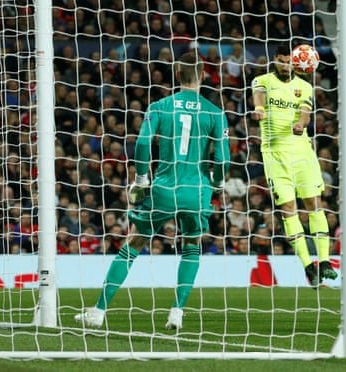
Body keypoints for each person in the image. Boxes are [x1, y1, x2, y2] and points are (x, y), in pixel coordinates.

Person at [75, 51, 230, 329]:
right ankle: (177, 311)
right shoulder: (215, 113)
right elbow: (223, 158)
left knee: (134, 244)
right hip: (197, 191)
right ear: (203, 75)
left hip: (164, 189)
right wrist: (217, 183)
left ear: (177, 75)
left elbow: (144, 144)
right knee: (192, 246)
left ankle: (98, 311)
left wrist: (143, 178)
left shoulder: (160, 107)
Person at [251, 44, 336, 286]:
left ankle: (325, 260)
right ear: (274, 60)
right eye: (280, 61)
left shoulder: (305, 86)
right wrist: (258, 108)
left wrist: (301, 124)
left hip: (302, 153)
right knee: (288, 208)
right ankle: (308, 265)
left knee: (313, 204)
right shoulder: (262, 80)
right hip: (275, 154)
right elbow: (258, 96)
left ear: (296, 62)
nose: (285, 65)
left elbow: (305, 113)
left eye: (288, 61)